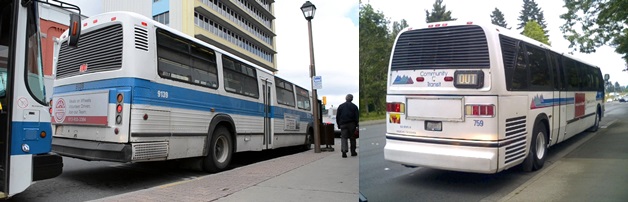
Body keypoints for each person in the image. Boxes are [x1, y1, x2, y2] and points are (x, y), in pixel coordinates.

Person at [336, 94, 358, 158]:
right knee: (352, 138)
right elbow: (356, 117)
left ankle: (344, 151)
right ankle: (353, 152)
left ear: (346, 98)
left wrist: (339, 124)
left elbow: (338, 117)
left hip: (343, 124)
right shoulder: (354, 107)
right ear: (352, 99)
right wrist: (356, 125)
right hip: (352, 124)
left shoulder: (341, 106)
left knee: (344, 138)